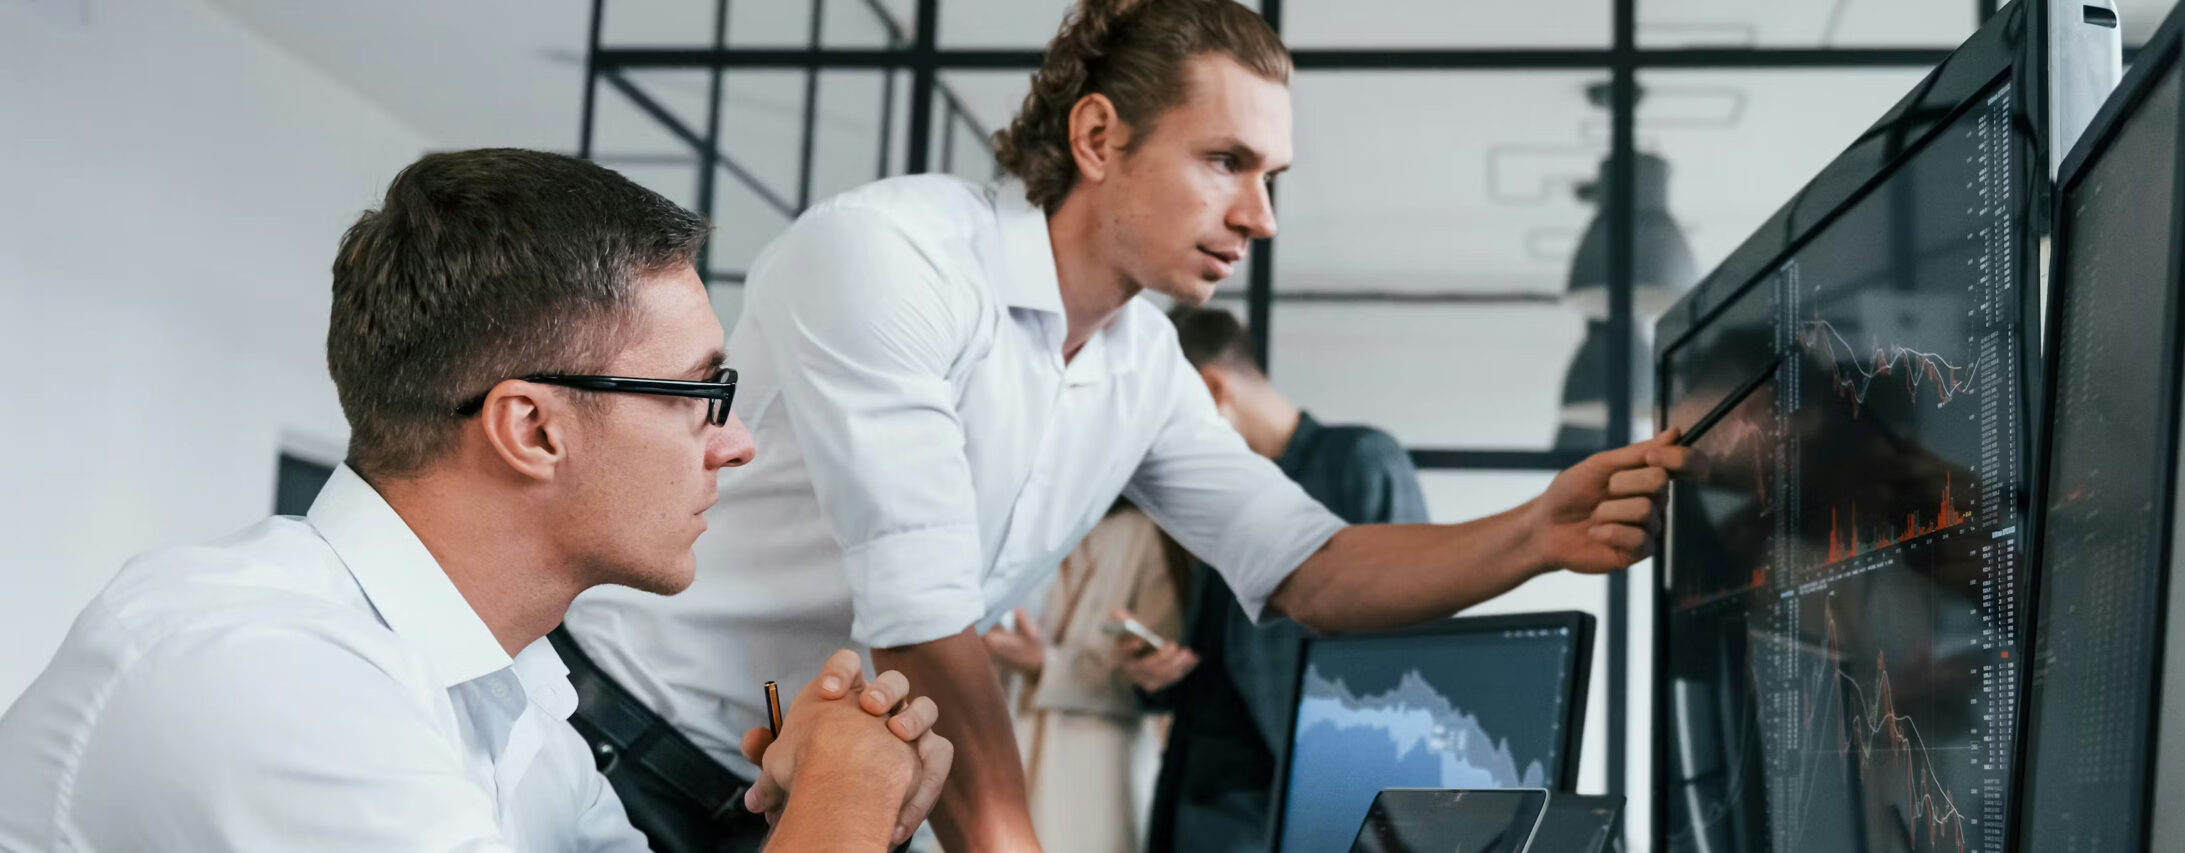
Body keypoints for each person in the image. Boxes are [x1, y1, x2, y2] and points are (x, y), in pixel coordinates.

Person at [561, 0, 1690, 848]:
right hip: (625, 750)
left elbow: (1313, 567)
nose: (1260, 215)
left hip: (805, 793)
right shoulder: (890, 254)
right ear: (1099, 137)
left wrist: (1537, 532)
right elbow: (921, 615)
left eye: (1271, 175)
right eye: (1226, 163)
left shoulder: (1143, 362)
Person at [0, 150, 951, 852]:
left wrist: (809, 811)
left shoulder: (517, 701)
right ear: (532, 428)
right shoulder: (265, 675)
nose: (736, 443)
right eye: (701, 397)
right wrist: (848, 788)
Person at [1132, 306, 1426, 853]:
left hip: (1294, 797)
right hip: (1200, 803)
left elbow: (1406, 645)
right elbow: (1226, 651)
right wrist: (1159, 676)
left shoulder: (1358, 459)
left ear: (1210, 389)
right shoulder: (1220, 496)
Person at [980, 499, 1191, 851]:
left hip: (1092, 771)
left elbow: (1154, 683)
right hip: (1002, 745)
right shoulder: (1019, 517)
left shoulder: (1149, 535)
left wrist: (1045, 664)